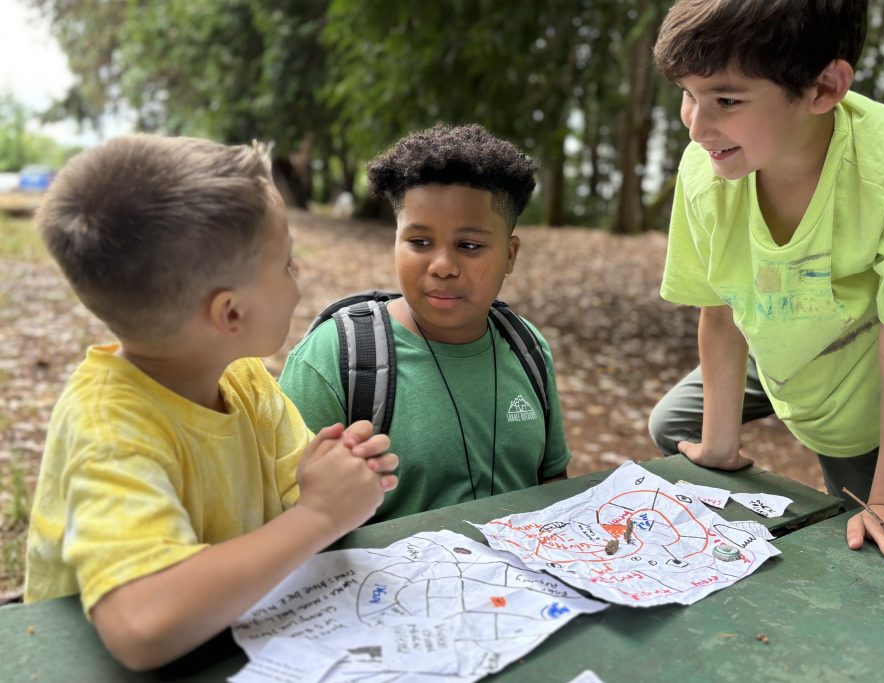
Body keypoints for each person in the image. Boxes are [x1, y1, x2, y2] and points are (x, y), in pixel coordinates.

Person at [24, 134, 399, 670]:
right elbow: (141, 626)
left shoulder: (241, 378)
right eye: (286, 264)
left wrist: (336, 477)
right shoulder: (109, 429)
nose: (299, 274)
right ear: (231, 314)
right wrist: (319, 515)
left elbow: (298, 498)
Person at [647, 0, 884, 580]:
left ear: (825, 88)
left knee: (867, 546)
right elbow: (721, 309)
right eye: (687, 94)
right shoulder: (707, 169)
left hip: (857, 382)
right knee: (674, 428)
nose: (696, 127)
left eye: (726, 100)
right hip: (772, 342)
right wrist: (720, 446)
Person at [280, 124, 571, 522]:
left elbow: (553, 481)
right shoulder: (334, 357)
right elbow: (281, 514)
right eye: (419, 243)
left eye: (469, 246)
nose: (442, 266)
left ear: (510, 255)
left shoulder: (527, 348)